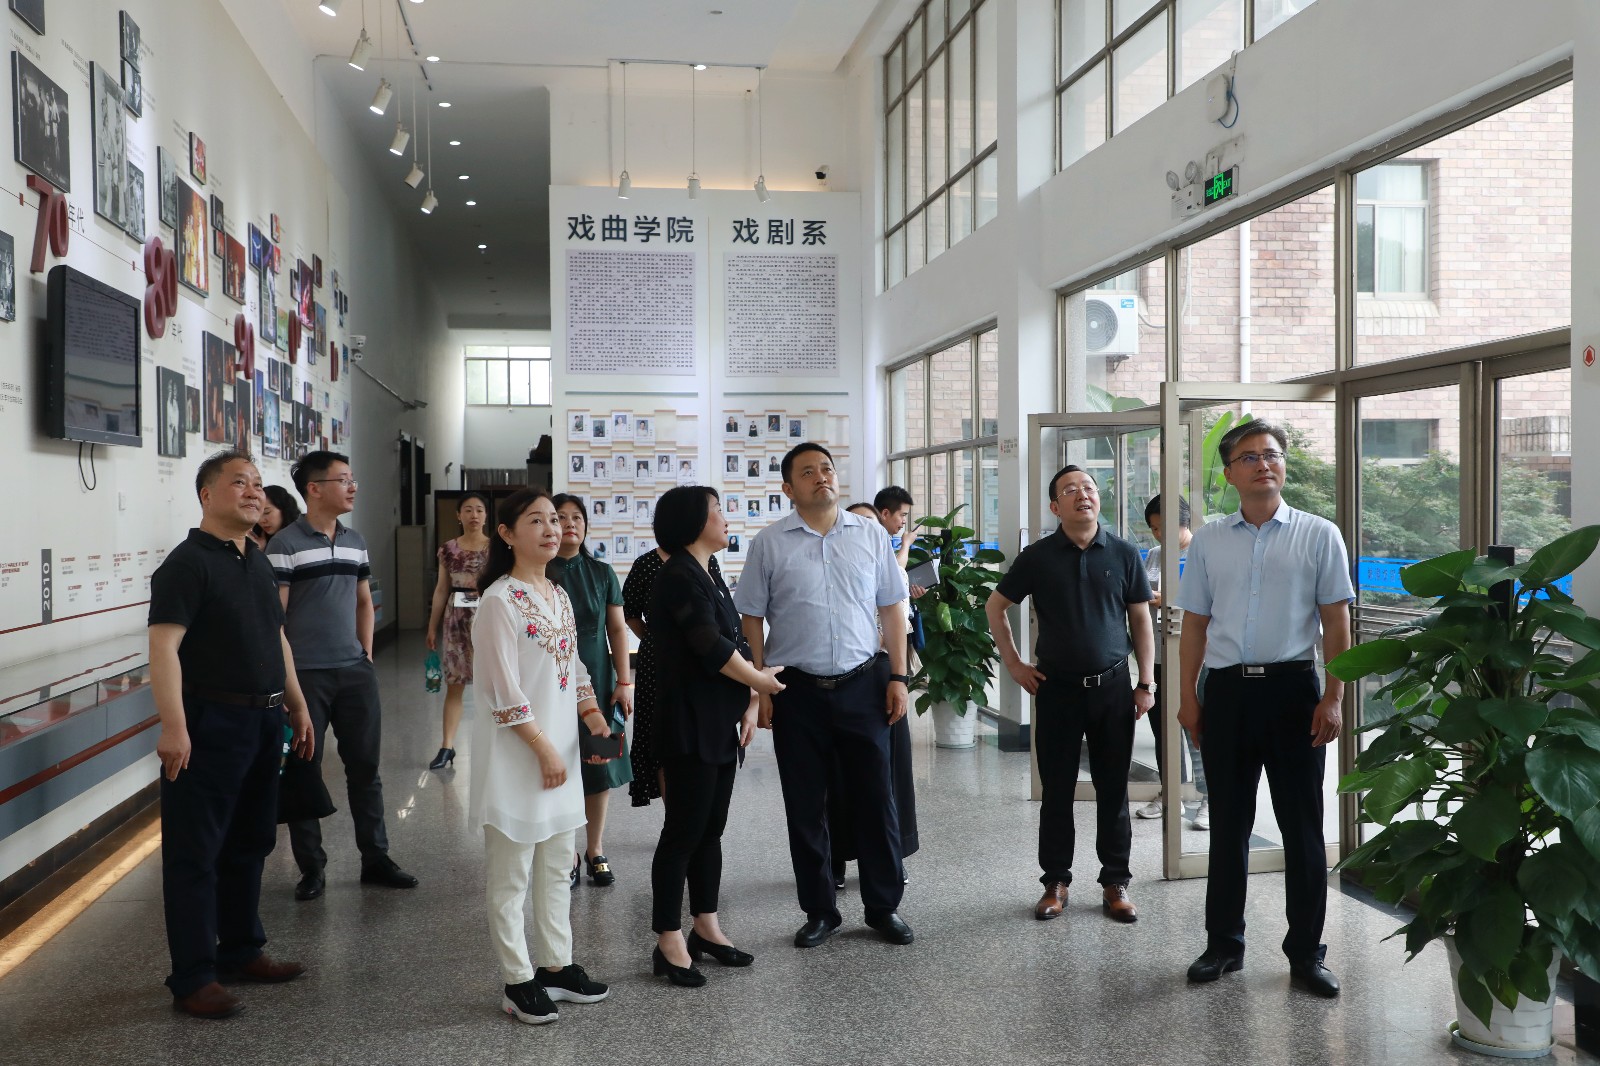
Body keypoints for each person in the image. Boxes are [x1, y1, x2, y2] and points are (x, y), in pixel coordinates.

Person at [1175, 420, 1352, 998]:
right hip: (1227, 693)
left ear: (1283, 466)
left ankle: (1306, 953)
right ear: (1229, 474)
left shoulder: (1319, 534)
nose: (1262, 464)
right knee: (1229, 825)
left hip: (1294, 692)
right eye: (1248, 457)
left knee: (1302, 828)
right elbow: (1194, 624)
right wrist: (1188, 698)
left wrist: (1334, 696)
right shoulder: (1208, 541)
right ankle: (1223, 945)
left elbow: (1336, 622)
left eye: (1271, 454)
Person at [150, 450, 315, 1019]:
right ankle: (194, 977)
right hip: (210, 723)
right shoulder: (186, 565)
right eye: (239, 482)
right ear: (206, 494)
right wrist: (174, 726)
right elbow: (164, 647)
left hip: (264, 721)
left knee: (251, 842)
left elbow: (277, 639)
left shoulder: (257, 561)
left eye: (258, 484)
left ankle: (241, 951)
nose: (253, 492)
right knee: (196, 853)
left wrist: (297, 704)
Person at [735, 443, 914, 948]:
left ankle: (883, 906)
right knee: (806, 804)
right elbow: (751, 615)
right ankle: (819, 910)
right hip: (797, 691)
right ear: (788, 488)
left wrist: (898, 676)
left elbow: (892, 608)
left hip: (864, 685)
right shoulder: (769, 544)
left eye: (828, 469)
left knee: (876, 798)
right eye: (808, 472)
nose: (822, 477)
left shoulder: (871, 534)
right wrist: (761, 685)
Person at [985, 465, 1155, 924]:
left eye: (1089, 487)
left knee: (1113, 789)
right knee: (1057, 790)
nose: (1083, 495)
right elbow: (996, 607)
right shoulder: (1038, 557)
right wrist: (1014, 664)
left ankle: (1115, 881)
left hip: (1113, 688)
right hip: (1057, 689)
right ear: (1055, 506)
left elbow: (1140, 619)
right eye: (1070, 490)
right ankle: (1055, 881)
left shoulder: (1123, 552)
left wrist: (1146, 683)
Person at [470, 489, 614, 1025]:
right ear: (507, 534)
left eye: (554, 519)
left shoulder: (557, 593)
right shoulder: (498, 601)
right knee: (511, 876)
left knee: (557, 866)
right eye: (536, 520)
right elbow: (502, 691)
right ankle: (517, 979)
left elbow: (573, 666)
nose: (552, 528)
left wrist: (593, 716)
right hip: (520, 756)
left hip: (560, 753)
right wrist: (544, 748)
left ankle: (557, 966)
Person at [647, 487, 785, 987]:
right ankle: (668, 939)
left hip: (717, 722)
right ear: (693, 522)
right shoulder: (678, 576)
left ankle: (705, 926)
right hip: (688, 724)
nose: (726, 518)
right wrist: (761, 683)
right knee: (683, 833)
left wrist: (748, 701)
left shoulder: (708, 572)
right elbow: (708, 645)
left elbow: (734, 642)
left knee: (711, 831)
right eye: (717, 510)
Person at [268, 451, 418, 901]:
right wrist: (288, 679)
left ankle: (376, 858)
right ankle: (311, 868)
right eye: (343, 480)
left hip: (354, 672)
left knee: (366, 769)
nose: (353, 487)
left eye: (353, 479)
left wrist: (365, 655)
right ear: (314, 489)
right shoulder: (285, 545)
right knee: (304, 770)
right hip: (306, 677)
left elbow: (363, 601)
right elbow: (276, 621)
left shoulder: (355, 540)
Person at [830, 494, 922, 892]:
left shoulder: (888, 567)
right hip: (835, 677)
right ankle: (835, 856)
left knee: (889, 773)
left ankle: (890, 857)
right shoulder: (831, 567)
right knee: (836, 775)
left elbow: (900, 621)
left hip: (882, 674)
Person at [549, 494, 634, 887]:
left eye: (576, 517)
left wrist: (624, 682)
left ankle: (595, 848)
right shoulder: (539, 572)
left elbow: (616, 628)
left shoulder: (602, 572)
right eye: (559, 517)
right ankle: (566, 851)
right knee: (559, 764)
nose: (569, 523)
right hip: (550, 681)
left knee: (599, 765)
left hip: (598, 680)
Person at [1135, 494, 1209, 829]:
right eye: (1153, 528)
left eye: (1163, 526)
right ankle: (1171, 793)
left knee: (1197, 727)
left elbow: (1206, 600)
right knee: (1164, 728)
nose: (1158, 534)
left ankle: (1208, 796)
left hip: (1196, 655)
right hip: (1160, 654)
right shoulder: (1154, 555)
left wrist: (1164, 599)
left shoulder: (1202, 551)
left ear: (1183, 521)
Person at [425, 492, 492, 770]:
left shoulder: (498, 548)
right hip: (456, 620)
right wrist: (432, 626)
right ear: (458, 515)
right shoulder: (448, 549)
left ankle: (494, 746)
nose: (474, 515)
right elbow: (442, 589)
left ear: (486, 515)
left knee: (493, 685)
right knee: (455, 684)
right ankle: (447, 746)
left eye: (479, 510)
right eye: (468, 510)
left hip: (489, 617)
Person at [248, 485, 300, 553]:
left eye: (267, 512)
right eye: (257, 514)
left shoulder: (301, 535)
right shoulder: (262, 541)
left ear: (284, 509)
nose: (261, 520)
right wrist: (261, 551)